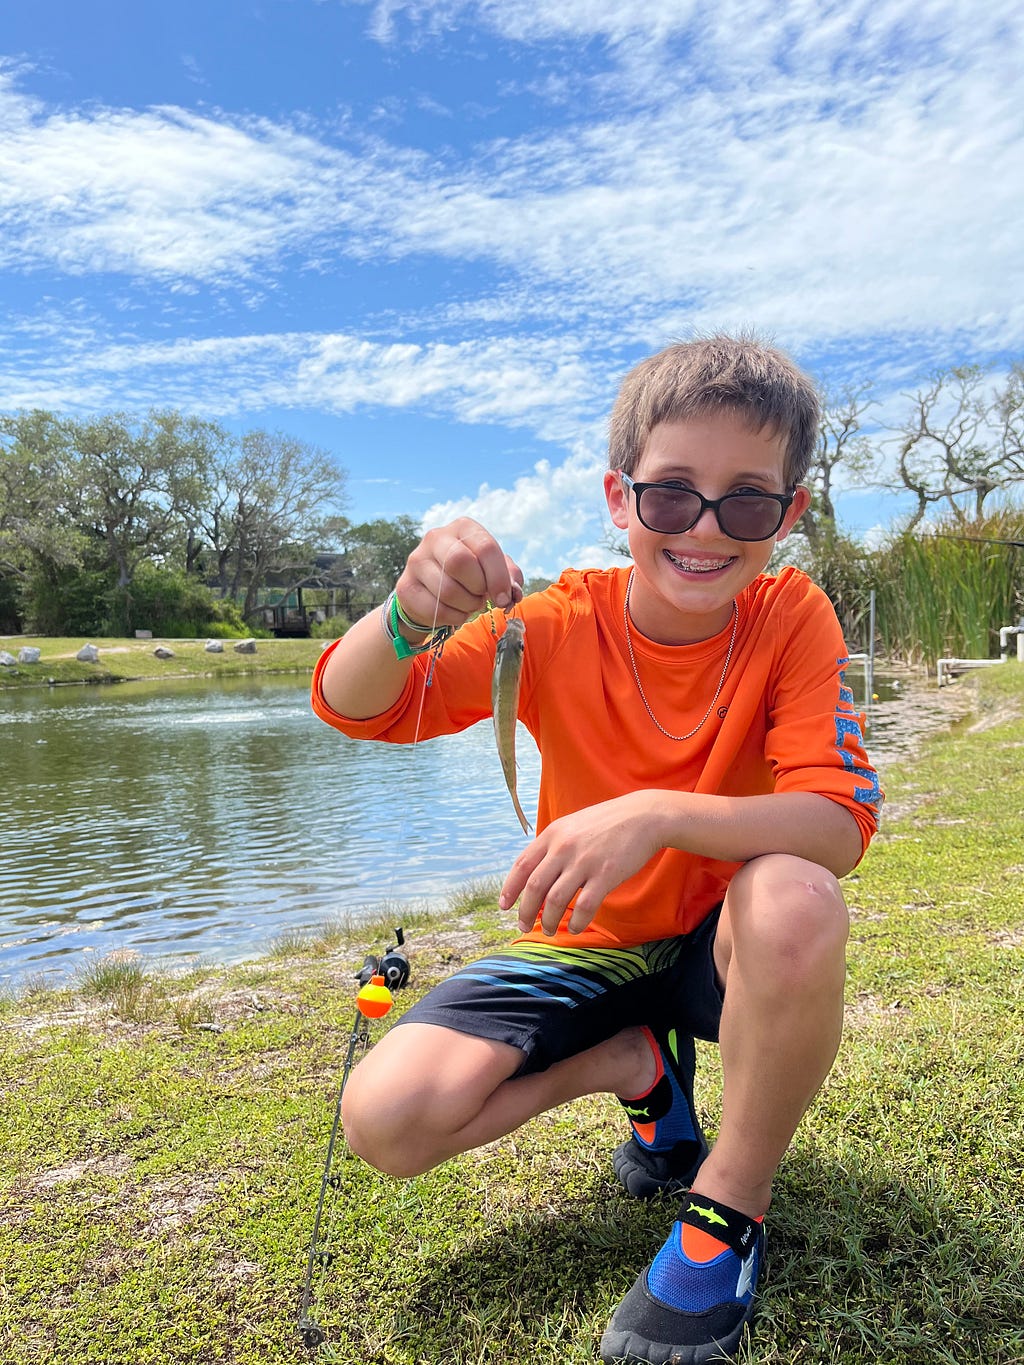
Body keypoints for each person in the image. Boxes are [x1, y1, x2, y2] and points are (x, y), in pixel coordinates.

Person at [311, 333, 882, 1364]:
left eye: (746, 500)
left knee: (794, 897)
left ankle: (726, 1213)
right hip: (586, 945)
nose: (704, 528)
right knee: (386, 1121)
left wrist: (658, 813)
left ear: (788, 517)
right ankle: (630, 1066)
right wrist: (405, 614)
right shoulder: (548, 624)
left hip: (723, 950)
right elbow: (363, 710)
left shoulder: (790, 614)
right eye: (671, 494)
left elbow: (835, 824)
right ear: (619, 501)